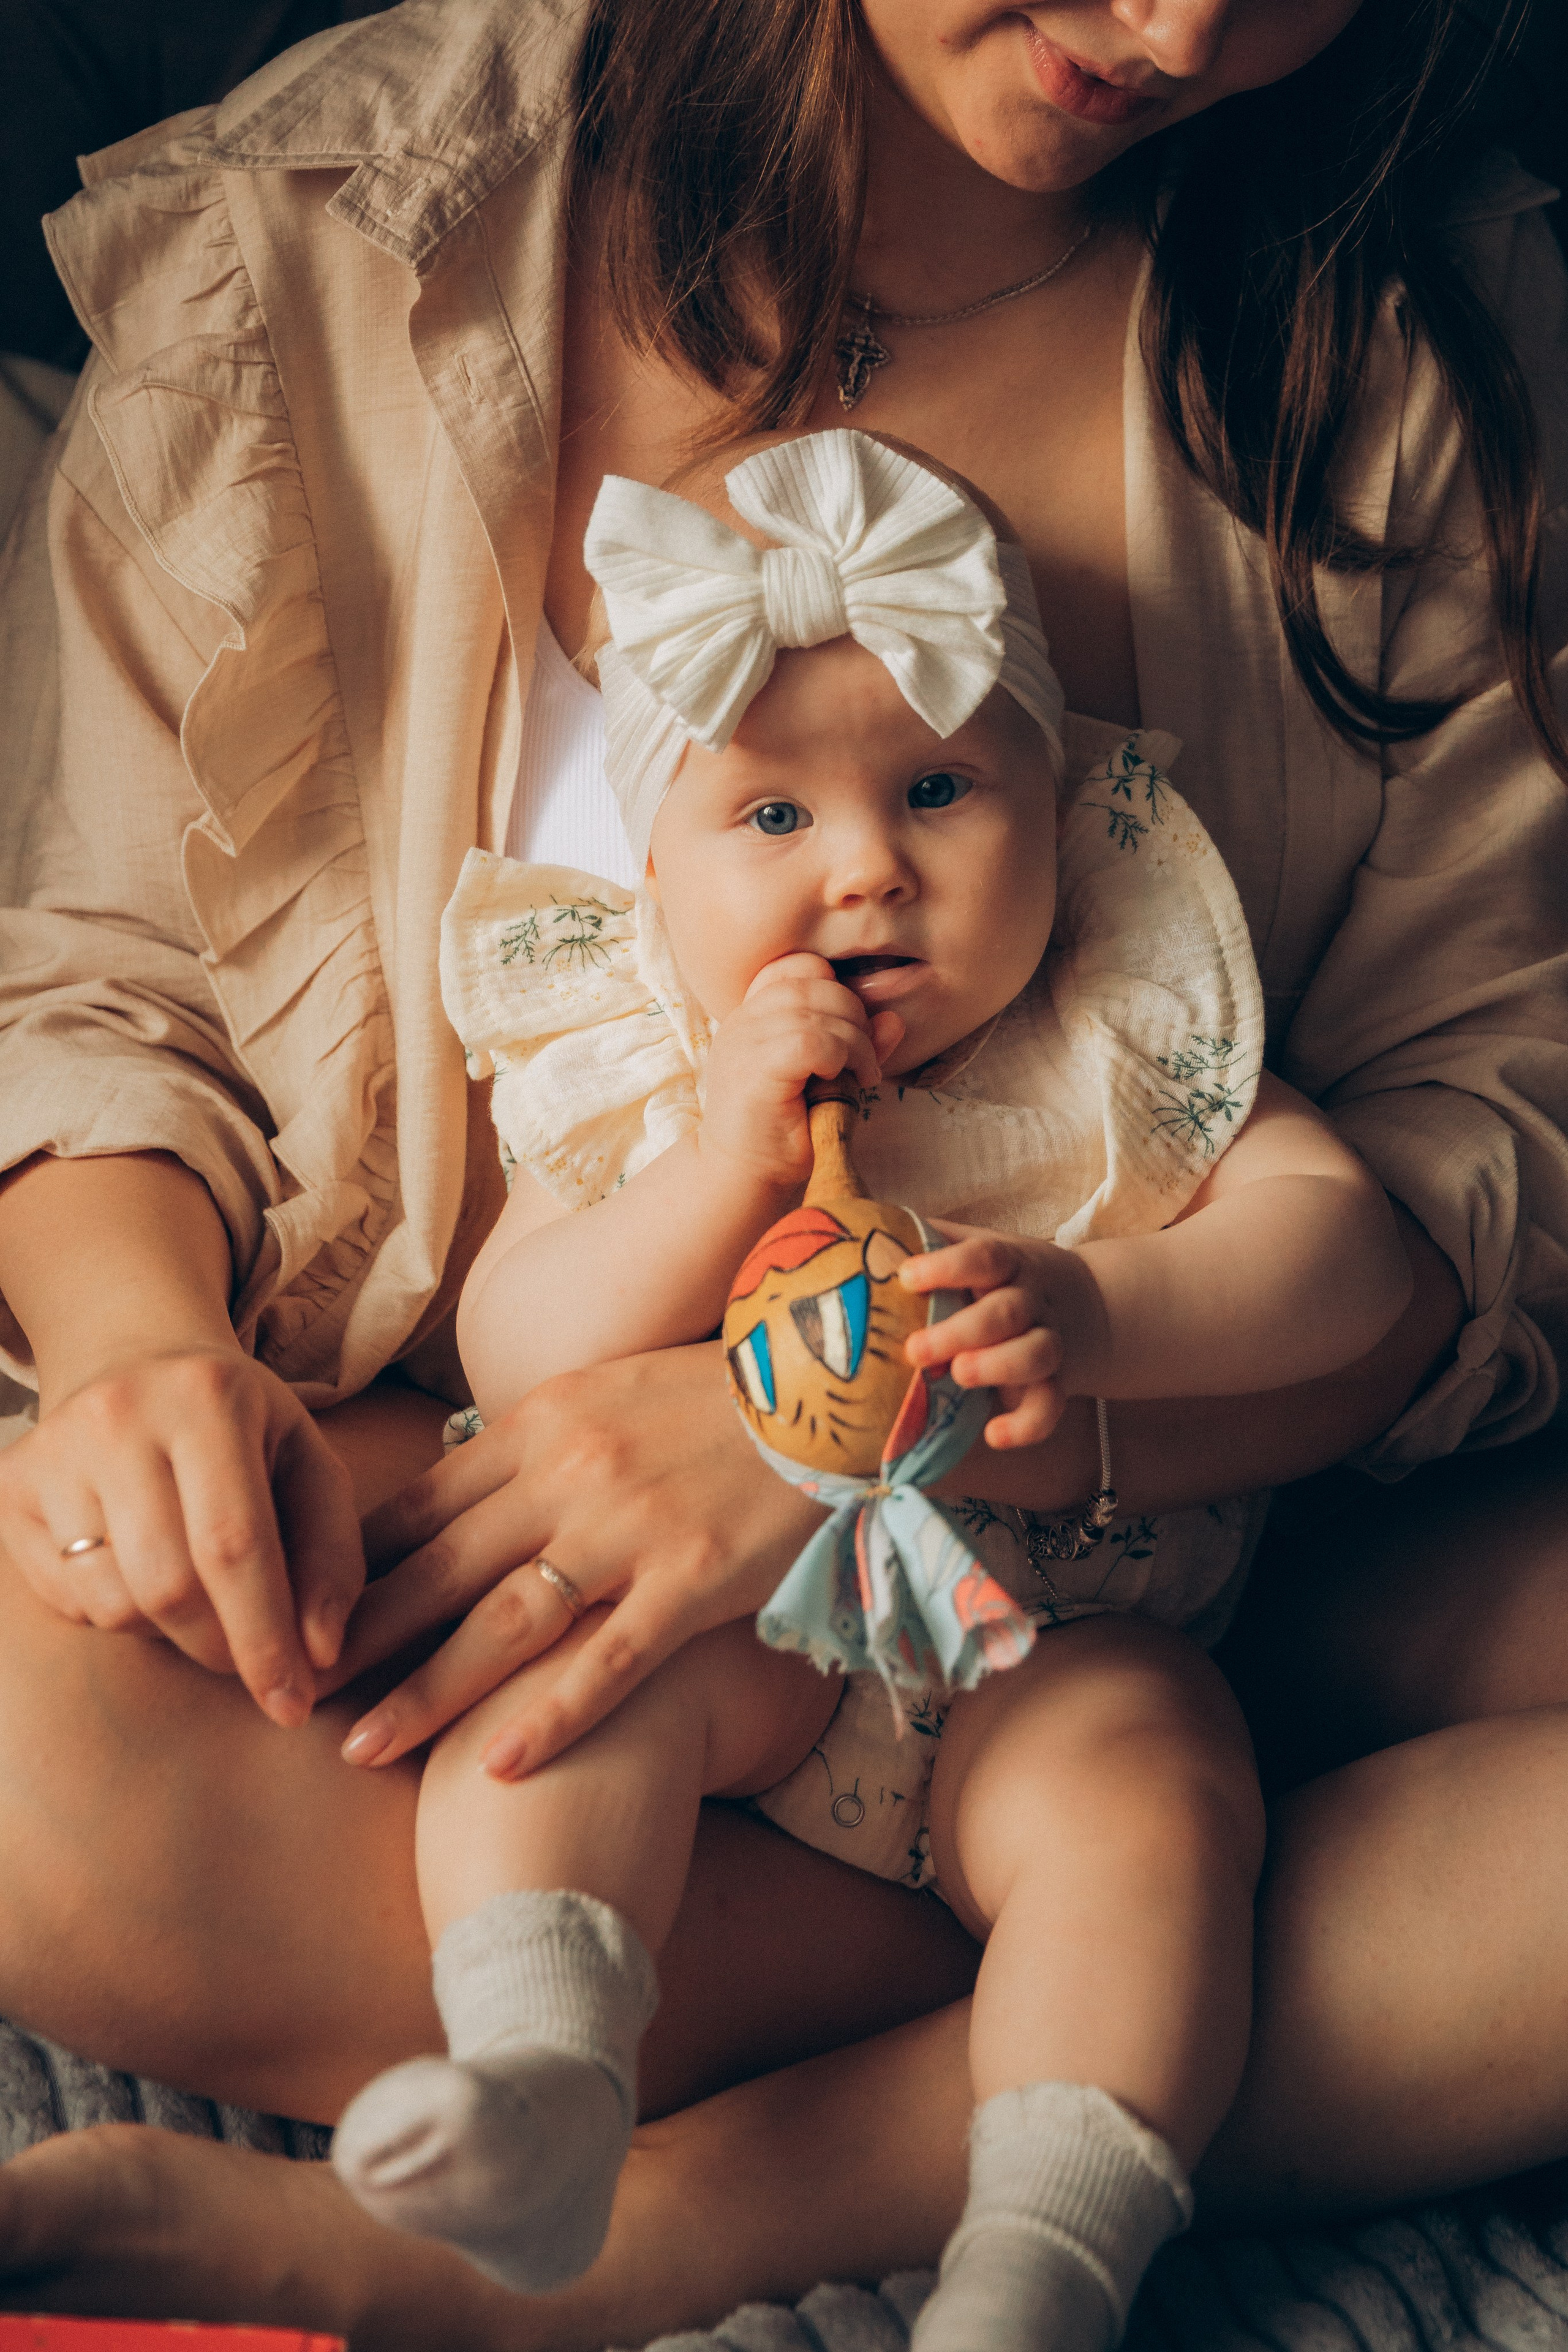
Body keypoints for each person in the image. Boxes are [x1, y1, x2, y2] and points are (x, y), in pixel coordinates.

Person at [0, 0, 1563, 2343]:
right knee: (39, 1750)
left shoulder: (1397, 326)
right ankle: (1100, 2012)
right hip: (553, 1544)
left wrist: (836, 1425)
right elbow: (102, 987)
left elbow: (1459, 1159)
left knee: (1141, 1793)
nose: (1177, 27)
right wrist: (134, 1342)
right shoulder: (324, 236)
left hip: (1186, 1544)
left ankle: (655, 2224)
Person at [324, 428, 1408, 2342]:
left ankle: (1043, 2253)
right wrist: (718, 1171)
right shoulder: (656, 1069)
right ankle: (543, 2076)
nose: (866, 876)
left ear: (1057, 812)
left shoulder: (1116, 1036)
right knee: (558, 1691)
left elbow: (1346, 1253)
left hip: (1048, 1646)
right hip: (735, 1639)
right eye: (772, 822)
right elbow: (519, 1343)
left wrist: (1110, 1309)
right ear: (653, 867)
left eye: (936, 791)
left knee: (1159, 1800)